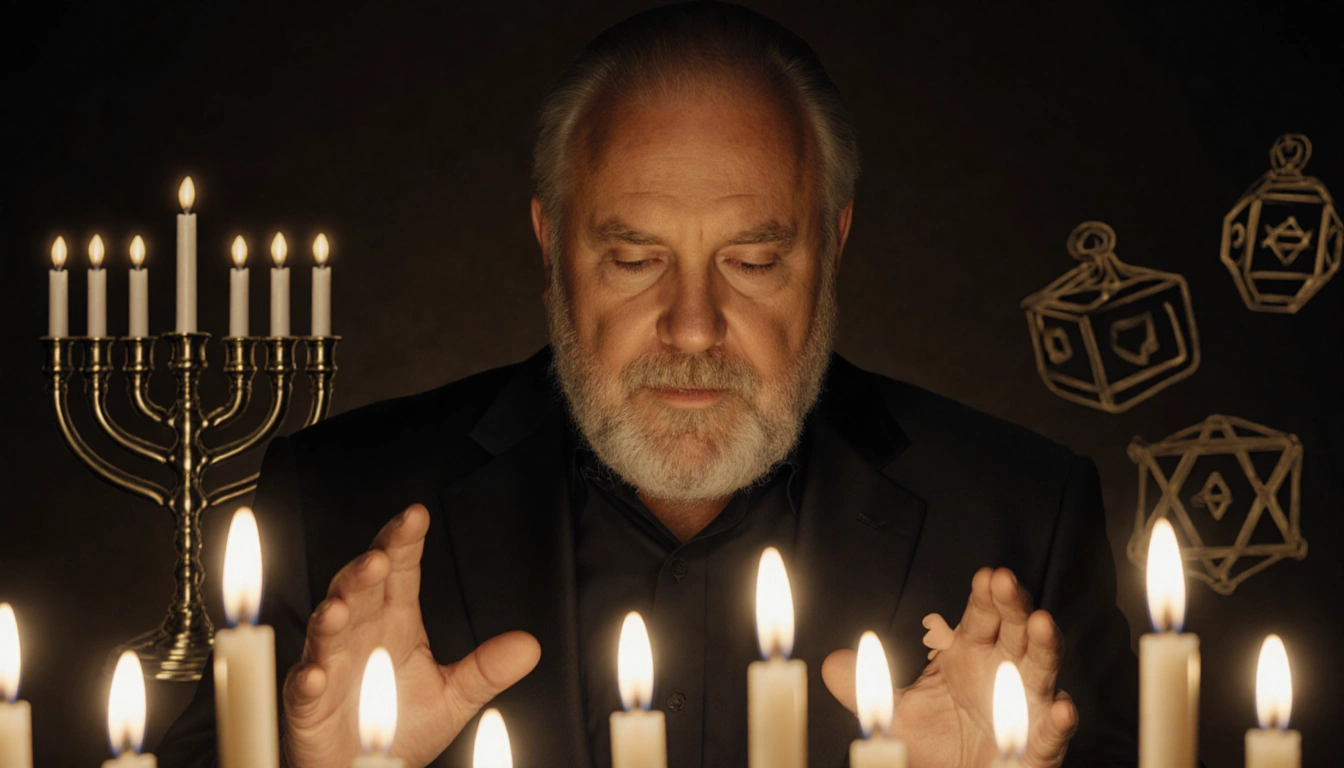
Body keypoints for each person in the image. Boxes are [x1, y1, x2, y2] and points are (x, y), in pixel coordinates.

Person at [158, 3, 1139, 766]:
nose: (695, 326)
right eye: (635, 260)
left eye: (753, 262)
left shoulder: (1025, 514)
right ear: (553, 246)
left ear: (831, 248)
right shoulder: (334, 498)